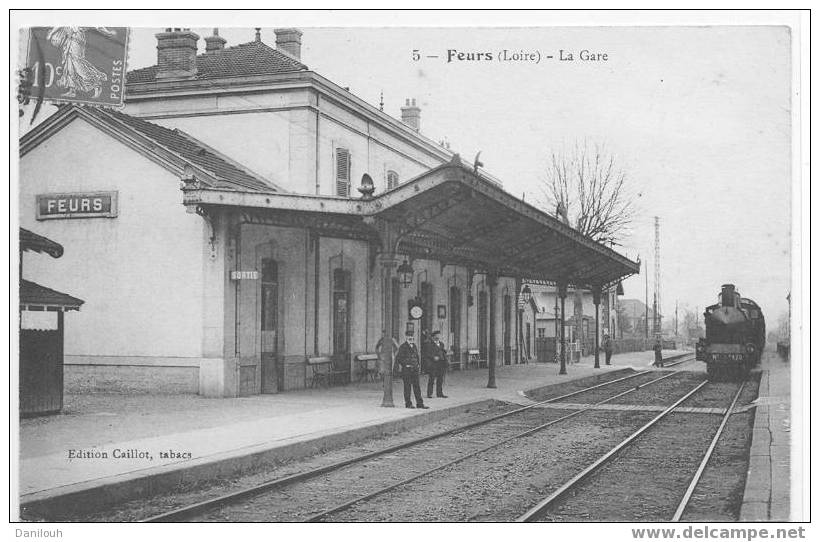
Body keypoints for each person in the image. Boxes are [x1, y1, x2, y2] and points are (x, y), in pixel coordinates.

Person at [396, 332, 427, 409]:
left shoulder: (415, 346)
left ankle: (419, 403)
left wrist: (418, 364)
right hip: (407, 370)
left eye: (412, 337)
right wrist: (406, 364)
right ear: (406, 338)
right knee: (407, 387)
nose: (411, 339)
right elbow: (399, 358)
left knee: (417, 386)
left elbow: (417, 356)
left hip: (415, 369)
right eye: (409, 337)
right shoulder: (403, 347)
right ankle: (408, 403)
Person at [424, 330, 448, 398]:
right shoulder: (429, 344)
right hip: (433, 364)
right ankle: (429, 393)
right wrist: (433, 357)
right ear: (433, 336)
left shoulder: (441, 344)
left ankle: (439, 393)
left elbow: (443, 352)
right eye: (437, 335)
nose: (438, 336)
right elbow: (427, 353)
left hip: (441, 363)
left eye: (439, 335)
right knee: (432, 378)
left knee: (440, 379)